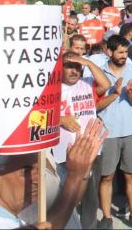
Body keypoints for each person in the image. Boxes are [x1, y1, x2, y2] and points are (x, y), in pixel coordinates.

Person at [0, 119, 106, 230]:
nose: (37, 178)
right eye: (26, 171)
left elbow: (58, 217)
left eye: (38, 169)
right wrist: (75, 177)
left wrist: (79, 173)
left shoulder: (6, 220)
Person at [53, 52, 111, 229]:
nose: (74, 71)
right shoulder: (51, 88)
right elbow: (35, 117)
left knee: (89, 198)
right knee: (64, 196)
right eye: (69, 66)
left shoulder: (87, 84)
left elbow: (106, 84)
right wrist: (60, 119)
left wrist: (87, 62)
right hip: (62, 152)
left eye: (78, 67)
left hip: (90, 148)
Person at [95, 35, 132, 230]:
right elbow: (95, 106)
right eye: (120, 52)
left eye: (126, 52)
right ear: (109, 52)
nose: (124, 56)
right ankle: (106, 217)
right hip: (107, 132)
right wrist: (115, 93)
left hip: (131, 131)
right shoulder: (99, 74)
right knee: (106, 176)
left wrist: (129, 91)